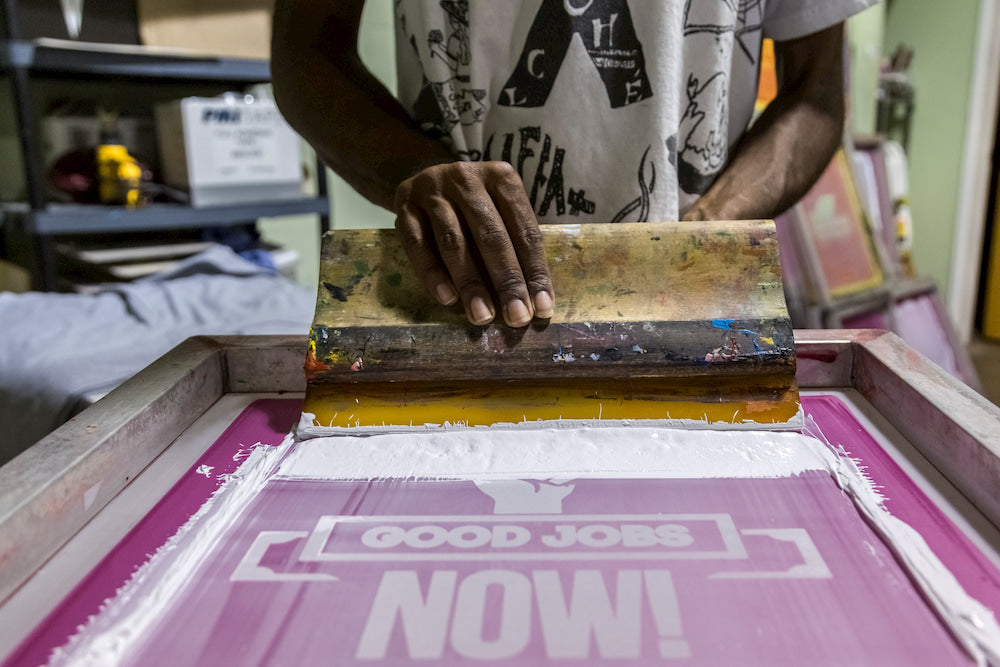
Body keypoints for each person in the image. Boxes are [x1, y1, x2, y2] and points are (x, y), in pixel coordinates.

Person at [271, 0, 876, 327]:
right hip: (463, 288)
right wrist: (416, 169)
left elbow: (815, 95)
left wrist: (702, 230)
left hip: (689, 296)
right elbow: (308, 49)